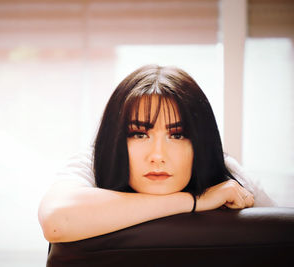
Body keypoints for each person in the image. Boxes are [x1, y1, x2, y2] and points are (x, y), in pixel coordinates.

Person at [38, 64, 275, 243]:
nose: (158, 156)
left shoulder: (228, 175)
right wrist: (196, 201)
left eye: (178, 134)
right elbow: (58, 221)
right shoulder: (93, 163)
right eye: (140, 134)